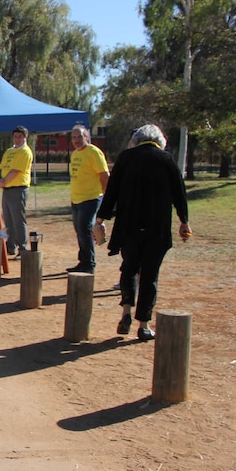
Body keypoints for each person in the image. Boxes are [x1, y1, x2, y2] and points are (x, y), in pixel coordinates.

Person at [95, 124, 191, 341]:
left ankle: (126, 312)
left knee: (129, 267)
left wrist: (100, 219)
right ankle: (144, 325)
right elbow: (180, 194)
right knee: (150, 274)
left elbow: (111, 192)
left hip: (129, 225)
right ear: (160, 140)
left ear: (136, 139)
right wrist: (184, 222)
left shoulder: (126, 158)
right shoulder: (166, 160)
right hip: (157, 227)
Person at [67, 124, 110, 274]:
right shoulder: (75, 154)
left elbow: (105, 176)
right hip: (77, 199)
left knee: (85, 230)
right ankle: (83, 261)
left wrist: (105, 197)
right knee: (79, 230)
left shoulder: (93, 152)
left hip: (91, 198)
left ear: (86, 137)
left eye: (80, 137)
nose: (76, 140)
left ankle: (89, 264)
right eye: (74, 137)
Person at [0, 125, 33, 259]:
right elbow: (2, 167)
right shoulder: (9, 151)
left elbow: (16, 170)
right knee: (8, 219)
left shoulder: (25, 152)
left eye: (20, 137)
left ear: (25, 137)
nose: (17, 139)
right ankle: (10, 245)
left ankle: (22, 248)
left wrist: (3, 181)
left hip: (18, 189)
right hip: (7, 189)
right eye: (15, 136)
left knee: (18, 219)